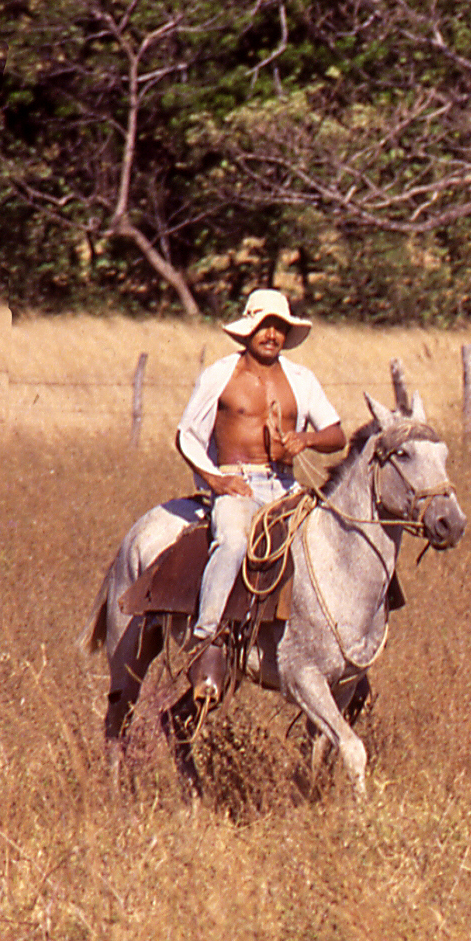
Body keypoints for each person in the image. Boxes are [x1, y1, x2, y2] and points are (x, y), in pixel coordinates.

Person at [176, 289, 346, 694]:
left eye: (279, 327)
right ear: (248, 330)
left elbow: (337, 434)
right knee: (233, 542)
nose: (271, 334)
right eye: (264, 326)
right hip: (238, 482)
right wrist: (215, 480)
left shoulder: (302, 380)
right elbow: (186, 435)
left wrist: (305, 440)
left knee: (334, 542)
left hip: (287, 486)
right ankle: (209, 640)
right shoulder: (221, 375)